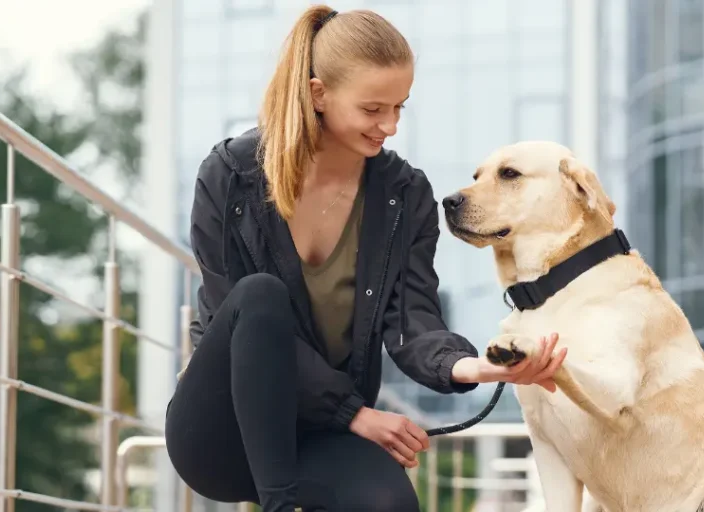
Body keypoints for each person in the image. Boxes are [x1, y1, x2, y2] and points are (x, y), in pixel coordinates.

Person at [164, 5, 567, 512]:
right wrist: (355, 414)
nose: (390, 127)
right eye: (373, 109)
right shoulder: (231, 176)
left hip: (318, 431)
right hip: (221, 429)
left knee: (388, 501)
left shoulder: (405, 194)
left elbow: (411, 317)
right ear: (318, 94)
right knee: (259, 296)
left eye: (399, 108)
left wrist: (477, 367)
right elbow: (239, 317)